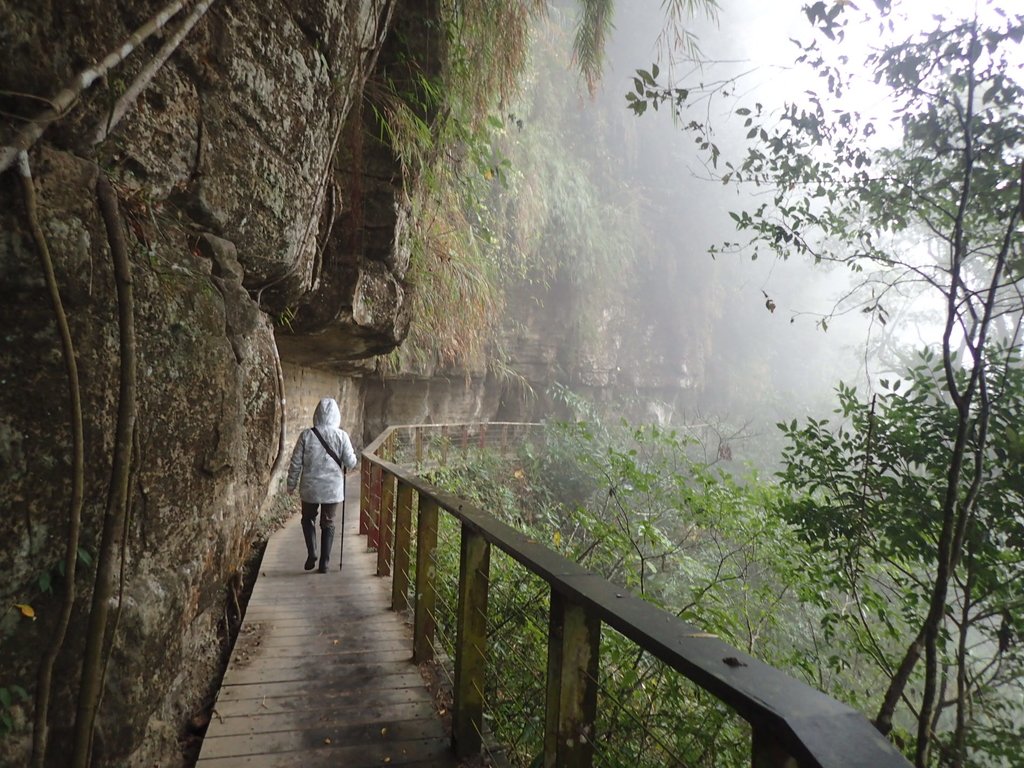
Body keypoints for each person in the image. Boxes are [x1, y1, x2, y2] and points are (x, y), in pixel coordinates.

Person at [286, 397, 357, 573]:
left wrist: (291, 484)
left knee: (307, 518)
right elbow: (351, 462)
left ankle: (313, 552)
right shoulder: (341, 436)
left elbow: (295, 463)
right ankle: (324, 563)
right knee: (329, 522)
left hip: (310, 487)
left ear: (316, 414)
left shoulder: (306, 435)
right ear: (336, 416)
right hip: (332, 489)